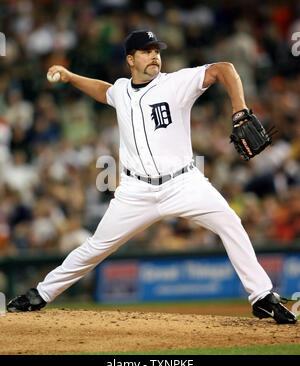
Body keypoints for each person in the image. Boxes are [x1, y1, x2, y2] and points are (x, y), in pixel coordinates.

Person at [7, 30, 296, 324]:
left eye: (156, 50)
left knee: (230, 223)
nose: (154, 55)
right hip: (135, 192)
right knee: (96, 247)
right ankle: (41, 294)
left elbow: (225, 69)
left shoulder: (176, 83)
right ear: (130, 60)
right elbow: (102, 90)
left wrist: (240, 108)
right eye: (146, 51)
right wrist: (70, 76)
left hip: (183, 182)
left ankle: (261, 296)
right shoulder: (120, 90)